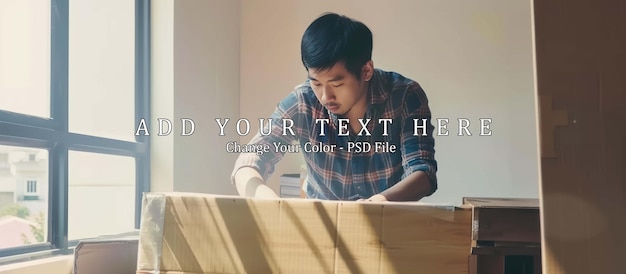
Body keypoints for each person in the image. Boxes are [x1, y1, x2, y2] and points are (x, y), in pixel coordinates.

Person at [230, 12, 437, 202]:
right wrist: (268, 201)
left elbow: (423, 172)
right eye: (316, 83)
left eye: (337, 84)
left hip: (388, 223)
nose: (325, 96)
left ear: (366, 71)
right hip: (321, 228)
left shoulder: (404, 96)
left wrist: (378, 204)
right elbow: (249, 161)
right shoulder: (304, 102)